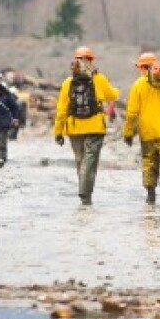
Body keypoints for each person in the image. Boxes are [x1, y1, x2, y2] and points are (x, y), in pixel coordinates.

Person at [53, 46, 120, 205]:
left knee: (80, 159)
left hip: (74, 128)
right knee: (90, 161)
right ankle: (86, 193)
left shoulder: (68, 83)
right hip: (95, 127)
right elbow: (112, 95)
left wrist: (58, 132)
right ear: (91, 60)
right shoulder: (100, 79)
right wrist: (116, 90)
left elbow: (62, 110)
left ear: (75, 60)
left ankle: (84, 195)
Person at [123, 52, 160, 204]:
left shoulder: (138, 85)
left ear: (141, 67)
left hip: (147, 131)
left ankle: (151, 194)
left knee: (149, 161)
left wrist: (128, 133)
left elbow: (132, 113)